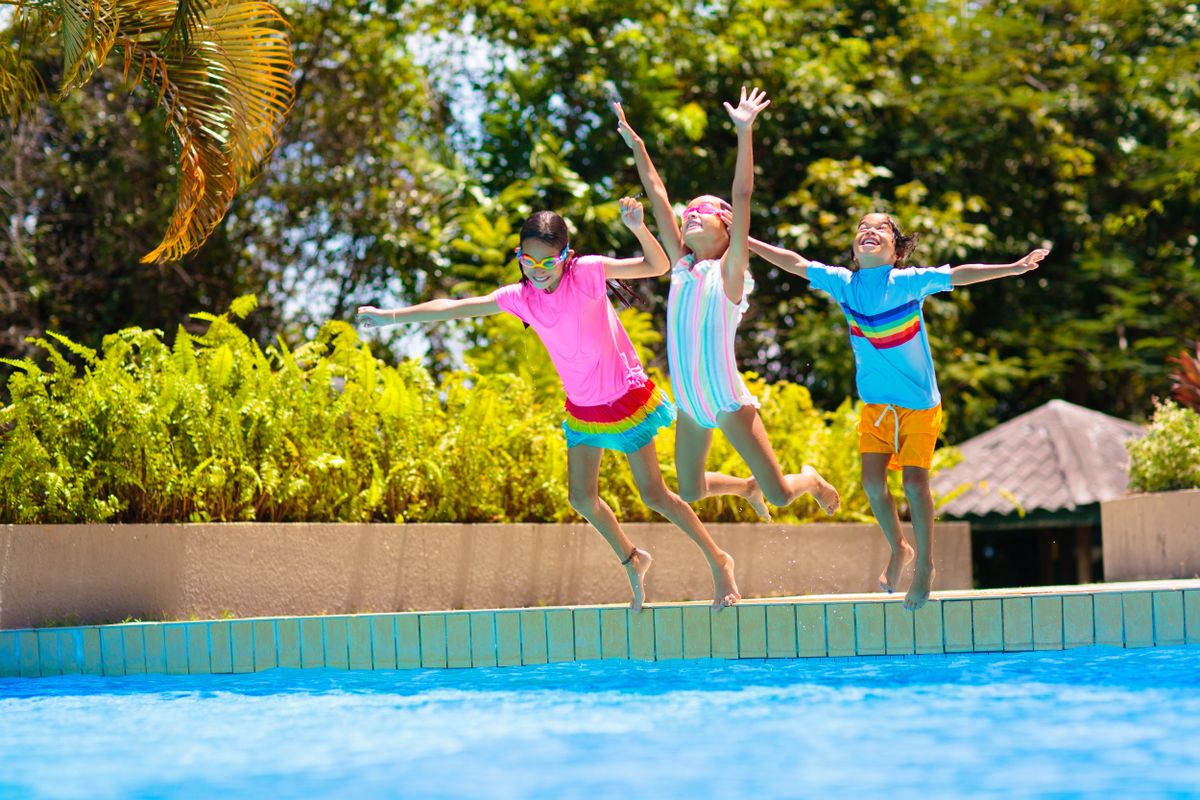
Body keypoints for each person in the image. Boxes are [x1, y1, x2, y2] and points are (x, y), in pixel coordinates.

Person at [357, 199, 742, 610]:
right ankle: (633, 558)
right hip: (584, 407)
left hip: (622, 398)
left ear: (566, 256)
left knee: (654, 495)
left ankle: (720, 562)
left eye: (547, 262)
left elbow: (657, 265)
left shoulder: (587, 274)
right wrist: (389, 316)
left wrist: (638, 227)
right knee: (581, 498)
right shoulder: (521, 297)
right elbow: (455, 307)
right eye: (528, 261)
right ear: (520, 258)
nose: (537, 271)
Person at [748, 211, 1049, 609]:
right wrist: (745, 241)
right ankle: (899, 549)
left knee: (913, 484)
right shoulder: (844, 283)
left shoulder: (908, 282)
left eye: (881, 228)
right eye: (862, 227)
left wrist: (1012, 268)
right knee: (873, 484)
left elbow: (960, 273)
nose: (868, 231)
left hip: (918, 405)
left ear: (897, 250)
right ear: (855, 249)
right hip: (876, 404)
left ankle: (925, 566)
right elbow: (795, 263)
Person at [613, 88, 841, 522]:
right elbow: (657, 193)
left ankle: (809, 480)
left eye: (704, 211)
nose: (691, 214)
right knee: (693, 489)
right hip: (690, 401)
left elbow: (741, 196)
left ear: (727, 228)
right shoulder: (680, 267)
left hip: (725, 400)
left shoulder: (730, 272)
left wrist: (744, 131)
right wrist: (637, 145)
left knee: (780, 494)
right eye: (689, 212)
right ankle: (745, 488)